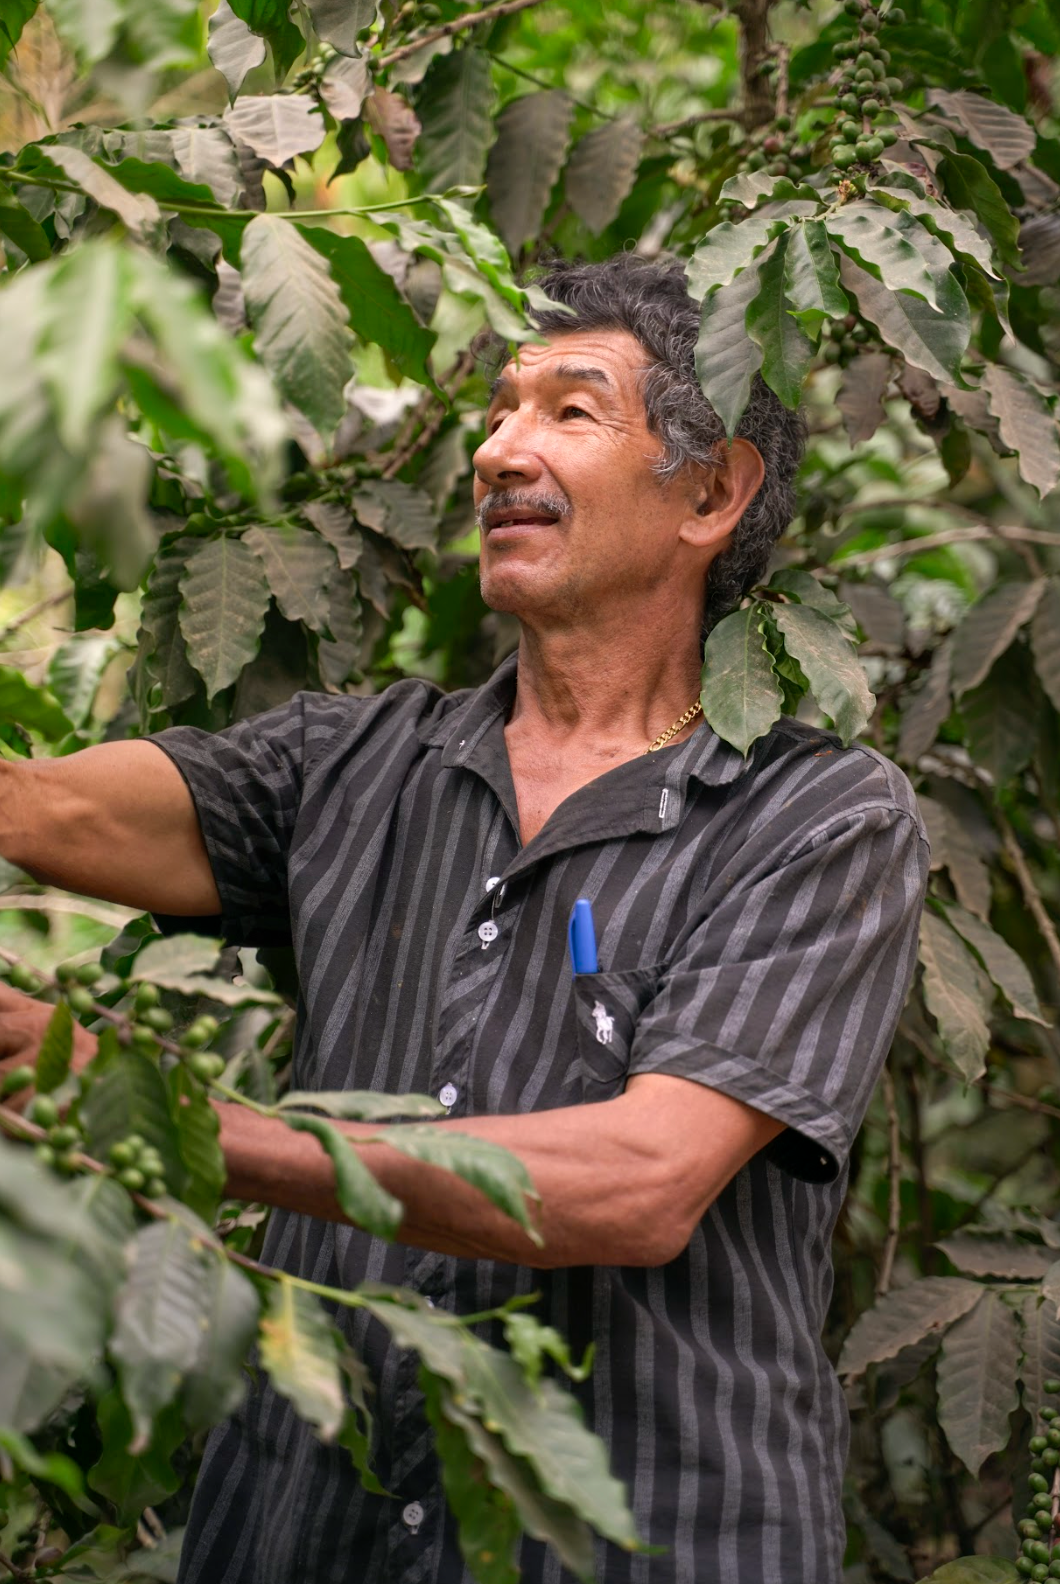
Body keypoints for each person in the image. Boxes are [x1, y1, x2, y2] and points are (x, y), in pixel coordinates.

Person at [0, 254, 928, 1584]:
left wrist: (166, 1118)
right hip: (311, 1531)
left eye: (569, 409)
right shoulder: (345, 764)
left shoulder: (821, 819)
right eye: (497, 410)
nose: (497, 449)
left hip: (649, 1540)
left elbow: (640, 1185)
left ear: (714, 491)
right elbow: (44, 812)